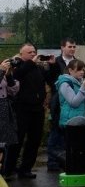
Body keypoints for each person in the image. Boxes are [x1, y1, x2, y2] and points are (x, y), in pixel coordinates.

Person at [5, 44, 51, 179]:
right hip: (22, 108)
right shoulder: (17, 65)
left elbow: (50, 80)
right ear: (22, 54)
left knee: (34, 140)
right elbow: (18, 75)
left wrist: (52, 65)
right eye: (29, 52)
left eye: (34, 51)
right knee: (17, 140)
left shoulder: (38, 67)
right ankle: (9, 169)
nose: (33, 54)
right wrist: (31, 62)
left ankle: (26, 169)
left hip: (37, 108)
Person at [44, 37, 76, 172]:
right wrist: (52, 66)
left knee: (67, 132)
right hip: (58, 101)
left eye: (74, 47)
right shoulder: (56, 62)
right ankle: (52, 162)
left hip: (72, 101)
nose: (72, 49)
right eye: (70, 46)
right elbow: (51, 80)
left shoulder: (76, 62)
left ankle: (64, 160)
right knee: (56, 131)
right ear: (62, 47)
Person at [55, 59, 85, 127]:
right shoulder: (65, 83)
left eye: (83, 70)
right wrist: (83, 88)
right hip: (71, 122)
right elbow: (74, 103)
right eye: (79, 70)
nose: (82, 72)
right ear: (70, 70)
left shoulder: (81, 82)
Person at [0, 57, 20, 163]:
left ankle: (4, 171)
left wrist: (8, 75)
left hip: (5, 108)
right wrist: (1, 71)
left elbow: (13, 90)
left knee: (5, 142)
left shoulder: (4, 72)